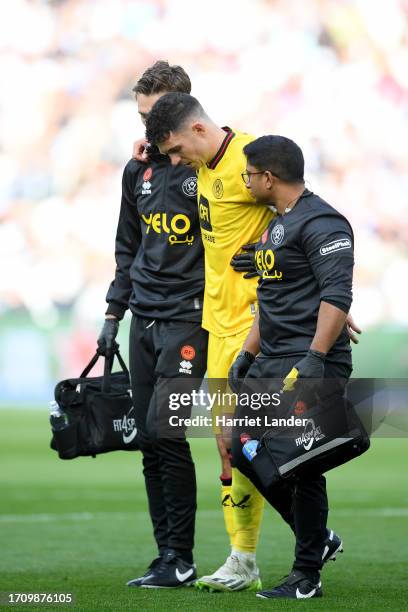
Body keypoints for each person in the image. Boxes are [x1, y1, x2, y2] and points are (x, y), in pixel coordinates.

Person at [145, 94, 355, 591]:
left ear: (195, 129)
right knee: (232, 448)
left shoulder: (255, 163)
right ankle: (305, 542)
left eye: (174, 148)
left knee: (286, 453)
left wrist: (331, 318)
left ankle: (261, 560)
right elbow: (285, 244)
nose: (174, 161)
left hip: (267, 333)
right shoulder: (206, 168)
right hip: (230, 332)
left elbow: (314, 232)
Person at [228, 135, 355, 599]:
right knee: (239, 444)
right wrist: (247, 352)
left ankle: (306, 577)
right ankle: (318, 540)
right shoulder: (276, 226)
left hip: (308, 360)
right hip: (272, 359)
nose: (245, 182)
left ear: (268, 178)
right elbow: (272, 298)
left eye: (248, 175)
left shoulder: (325, 223)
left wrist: (316, 358)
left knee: (301, 464)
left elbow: (337, 296)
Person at [97, 62, 208, 588]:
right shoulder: (135, 171)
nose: (146, 128)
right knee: (148, 439)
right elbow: (128, 247)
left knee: (168, 433)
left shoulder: (208, 172)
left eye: (155, 116)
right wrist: (112, 314)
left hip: (189, 321)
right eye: (141, 116)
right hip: (142, 316)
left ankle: (181, 558)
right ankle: (167, 555)